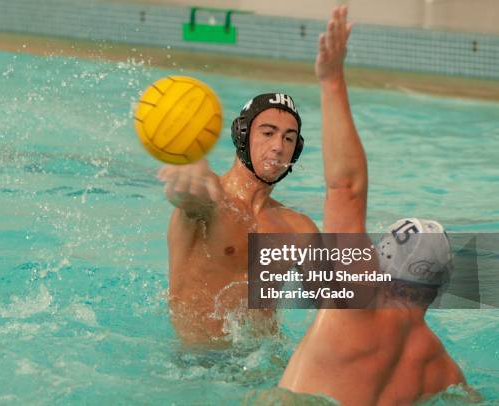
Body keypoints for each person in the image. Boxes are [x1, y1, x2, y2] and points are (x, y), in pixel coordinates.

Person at [278, 6, 472, 405]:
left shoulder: (354, 306)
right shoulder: (443, 370)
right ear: (438, 290)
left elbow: (345, 188)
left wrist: (331, 80)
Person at [157, 92, 318, 347]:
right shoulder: (212, 200)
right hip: (197, 363)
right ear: (242, 135)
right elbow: (188, 198)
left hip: (262, 363)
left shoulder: (299, 228)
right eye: (268, 133)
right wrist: (186, 175)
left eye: (289, 138)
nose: (278, 146)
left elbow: (339, 301)